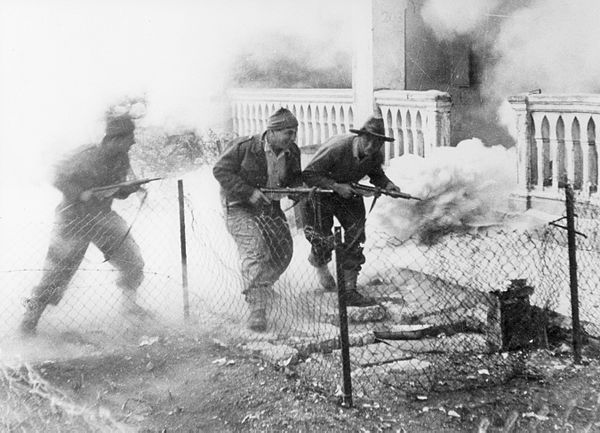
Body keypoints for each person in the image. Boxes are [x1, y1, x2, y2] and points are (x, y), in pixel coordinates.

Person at [20, 113, 149, 335]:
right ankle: (29, 323)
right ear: (115, 139)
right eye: (130, 137)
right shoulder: (86, 155)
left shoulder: (121, 159)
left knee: (132, 261)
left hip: (102, 217)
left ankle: (129, 308)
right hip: (73, 219)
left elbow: (114, 191)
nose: (133, 142)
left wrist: (128, 189)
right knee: (56, 275)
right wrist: (79, 194)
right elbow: (56, 175)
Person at [213, 107, 302, 332]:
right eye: (288, 133)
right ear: (271, 131)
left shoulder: (292, 152)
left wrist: (298, 189)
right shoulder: (245, 147)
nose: (292, 138)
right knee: (256, 252)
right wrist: (248, 192)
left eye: (294, 133)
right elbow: (220, 170)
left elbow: (294, 178)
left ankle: (262, 286)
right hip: (238, 206)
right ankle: (257, 308)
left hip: (269, 207)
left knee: (283, 252)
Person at [302, 115, 402, 306]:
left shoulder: (375, 155)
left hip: (348, 194)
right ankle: (320, 264)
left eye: (378, 142)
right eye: (369, 140)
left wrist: (388, 185)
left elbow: (376, 174)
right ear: (360, 136)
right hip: (321, 193)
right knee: (322, 238)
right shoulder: (337, 148)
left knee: (356, 234)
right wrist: (336, 186)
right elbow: (308, 174)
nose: (372, 146)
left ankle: (349, 290)